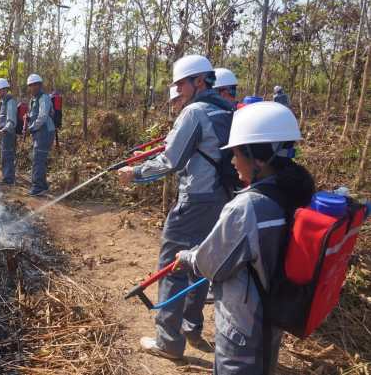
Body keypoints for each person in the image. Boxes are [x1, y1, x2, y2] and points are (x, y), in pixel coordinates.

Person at [174, 101, 314, 374]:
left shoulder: (247, 207)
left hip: (241, 329)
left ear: (258, 158)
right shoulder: (295, 195)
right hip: (271, 321)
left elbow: (209, 263)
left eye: (237, 153)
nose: (232, 161)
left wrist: (187, 257)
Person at [117, 55, 234, 359]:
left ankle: (168, 342)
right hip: (221, 200)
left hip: (194, 201)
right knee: (198, 263)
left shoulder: (194, 112)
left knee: (172, 267)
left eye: (181, 83)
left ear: (199, 81)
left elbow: (171, 160)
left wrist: (135, 172)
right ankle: (190, 326)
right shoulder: (225, 108)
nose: (177, 90)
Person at [25, 74, 56, 196]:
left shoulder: (44, 98)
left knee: (38, 159)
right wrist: (28, 118)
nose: (32, 87)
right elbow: (33, 114)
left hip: (45, 132)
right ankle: (43, 185)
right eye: (30, 85)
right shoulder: (33, 99)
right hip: (38, 132)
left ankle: (38, 187)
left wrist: (31, 128)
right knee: (39, 159)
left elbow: (42, 116)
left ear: (40, 85)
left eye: (35, 85)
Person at [0, 78, 17, 184]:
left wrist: (4, 129)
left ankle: (9, 180)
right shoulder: (2, 102)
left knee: (7, 155)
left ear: (4, 89)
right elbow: (3, 117)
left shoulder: (10, 101)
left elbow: (11, 120)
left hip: (8, 133)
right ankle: (6, 176)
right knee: (4, 155)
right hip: (3, 133)